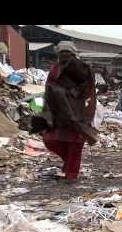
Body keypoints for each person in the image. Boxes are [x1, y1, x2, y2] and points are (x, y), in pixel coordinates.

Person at [41, 41, 98, 182]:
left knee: (75, 143)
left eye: (67, 52)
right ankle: (68, 163)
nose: (64, 55)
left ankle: (72, 174)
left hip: (77, 111)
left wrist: (73, 93)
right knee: (50, 139)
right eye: (62, 52)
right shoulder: (55, 68)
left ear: (73, 54)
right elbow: (49, 86)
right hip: (58, 110)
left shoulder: (82, 68)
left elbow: (88, 86)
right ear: (58, 54)